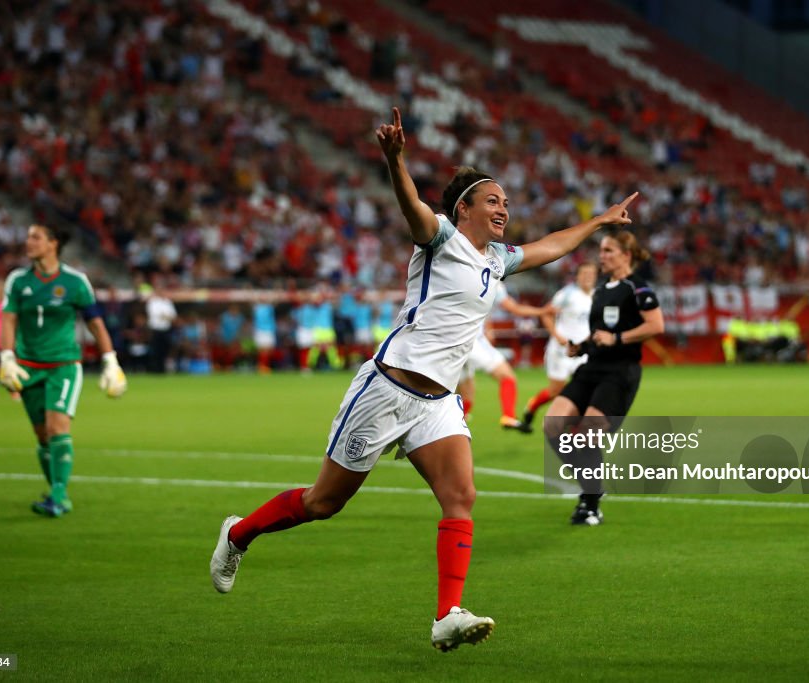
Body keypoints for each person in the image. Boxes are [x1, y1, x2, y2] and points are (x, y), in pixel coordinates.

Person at [209, 107, 638, 651]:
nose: (503, 208)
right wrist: (395, 160)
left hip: (438, 403)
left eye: (505, 202)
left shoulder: (496, 260)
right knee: (323, 503)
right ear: (464, 208)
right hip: (387, 391)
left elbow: (550, 246)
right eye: (492, 200)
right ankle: (238, 533)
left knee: (461, 495)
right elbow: (412, 207)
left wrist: (598, 222)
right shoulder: (439, 238)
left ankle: (446, 615)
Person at [0, 224, 128, 517]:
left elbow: (95, 323)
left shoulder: (75, 281)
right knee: (43, 436)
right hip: (28, 367)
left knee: (58, 427)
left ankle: (59, 497)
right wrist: (7, 358)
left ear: (53, 243)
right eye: (28, 236)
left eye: (36, 237)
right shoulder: (17, 281)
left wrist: (110, 360)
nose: (28, 242)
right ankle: (56, 490)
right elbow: (8, 320)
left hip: (64, 366)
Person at [543, 231, 664, 526]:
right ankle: (593, 488)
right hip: (591, 367)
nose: (603, 256)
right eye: (602, 250)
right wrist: (580, 346)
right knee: (553, 424)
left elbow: (656, 325)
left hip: (620, 371)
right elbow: (599, 335)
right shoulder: (599, 291)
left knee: (586, 436)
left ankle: (590, 502)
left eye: (609, 250)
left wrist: (619, 337)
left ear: (626, 255)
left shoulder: (638, 289)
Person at [456, 282, 551, 433]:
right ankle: (508, 416)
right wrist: (543, 311)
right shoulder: (492, 279)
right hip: (471, 341)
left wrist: (488, 328)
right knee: (507, 377)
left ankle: (450, 430)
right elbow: (514, 308)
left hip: (451, 340)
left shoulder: (462, 271)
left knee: (464, 392)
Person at [521, 262, 598, 428]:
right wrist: (557, 336)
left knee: (585, 390)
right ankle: (532, 407)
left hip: (582, 351)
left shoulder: (597, 296)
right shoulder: (566, 294)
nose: (587, 277)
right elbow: (546, 315)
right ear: (577, 276)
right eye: (584, 274)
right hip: (561, 350)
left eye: (591, 274)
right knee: (556, 391)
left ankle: (575, 433)